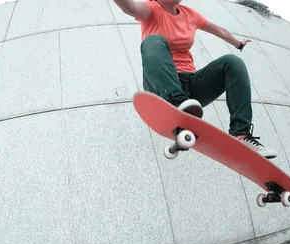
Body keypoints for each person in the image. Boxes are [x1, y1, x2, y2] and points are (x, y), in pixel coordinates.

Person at [114, 0, 277, 159]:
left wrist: (238, 44)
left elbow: (218, 30)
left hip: (191, 88)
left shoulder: (190, 14)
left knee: (233, 62)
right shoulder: (151, 8)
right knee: (152, 41)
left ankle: (241, 134)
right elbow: (130, 7)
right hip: (161, 87)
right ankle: (174, 102)